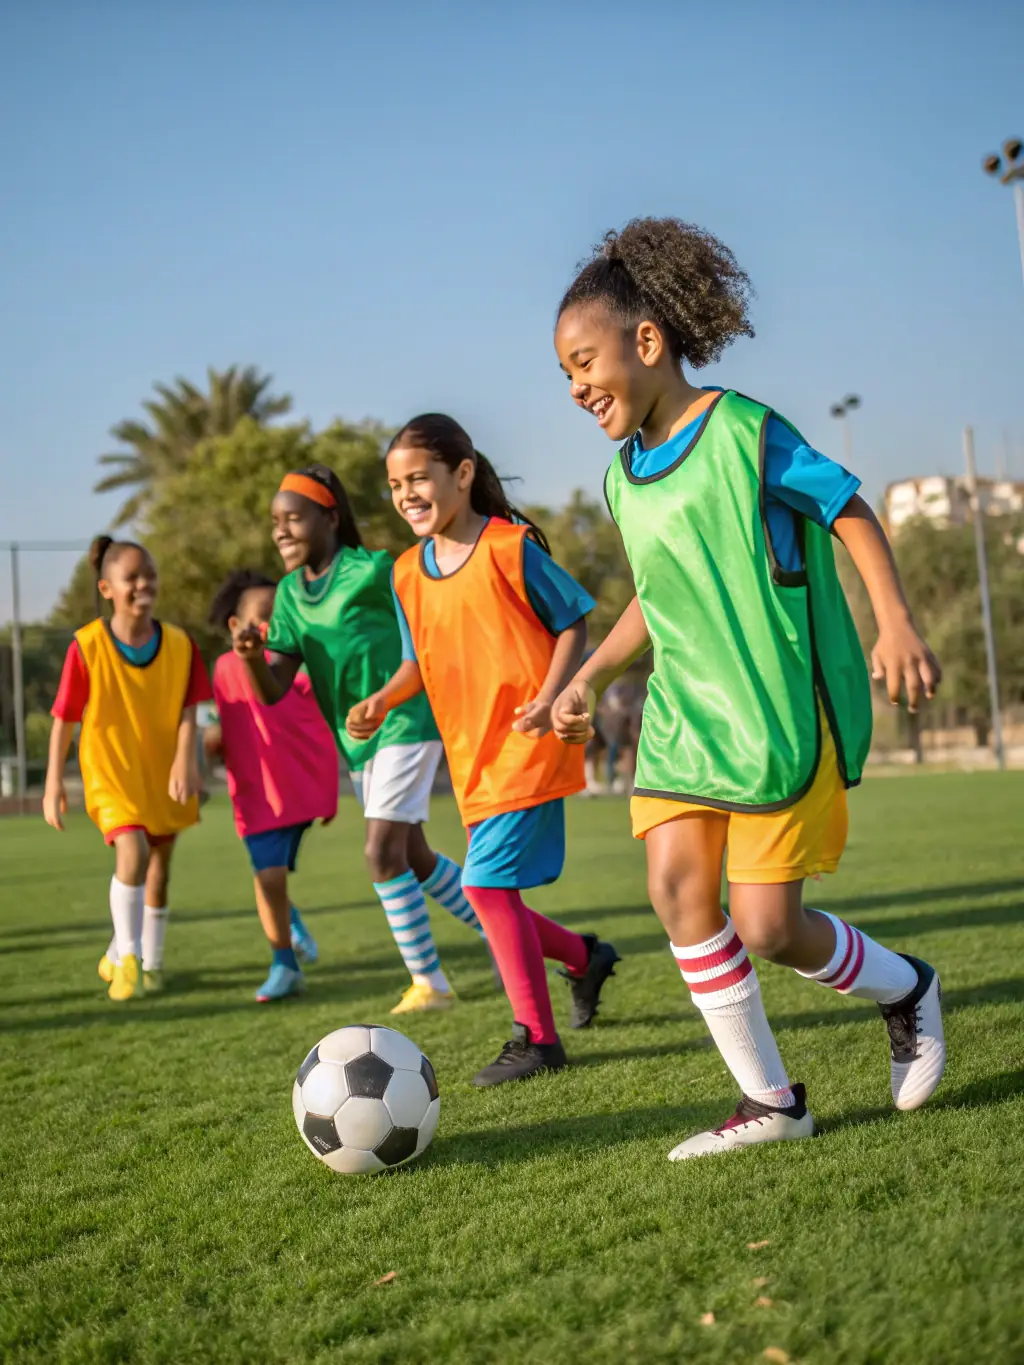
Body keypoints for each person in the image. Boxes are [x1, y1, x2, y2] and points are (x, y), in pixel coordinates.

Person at [551, 217, 945, 1157]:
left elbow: (847, 503)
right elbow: (658, 592)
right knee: (677, 889)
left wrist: (893, 619)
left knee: (770, 927)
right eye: (562, 374)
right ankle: (773, 1102)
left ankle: (908, 987)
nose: (574, 388)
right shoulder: (620, 477)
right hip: (684, 721)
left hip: (775, 716)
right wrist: (588, 673)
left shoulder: (745, 432)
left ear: (646, 342)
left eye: (582, 362)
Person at [347, 414, 620, 1086]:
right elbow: (420, 661)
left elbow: (572, 622)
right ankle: (584, 957)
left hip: (529, 742)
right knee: (497, 897)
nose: (406, 493)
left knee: (482, 884)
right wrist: (383, 698)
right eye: (394, 484)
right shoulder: (407, 572)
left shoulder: (510, 547)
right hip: (469, 759)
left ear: (461, 474)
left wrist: (554, 695)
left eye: (419, 478)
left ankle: (538, 1038)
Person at [236, 463, 492, 1014]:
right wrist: (253, 659)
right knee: (414, 856)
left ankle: (430, 985)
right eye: (275, 522)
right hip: (357, 742)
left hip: (406, 721)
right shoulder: (286, 596)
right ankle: (507, 935)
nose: (281, 530)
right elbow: (276, 688)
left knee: (380, 853)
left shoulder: (376, 570)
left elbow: (429, 621)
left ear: (329, 517)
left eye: (294, 519)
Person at [43, 535, 210, 1001]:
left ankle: (149, 962)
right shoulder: (88, 645)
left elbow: (189, 708)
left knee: (159, 868)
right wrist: (53, 781)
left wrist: (185, 758)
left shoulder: (179, 644)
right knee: (132, 852)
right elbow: (64, 720)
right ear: (107, 587)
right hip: (110, 771)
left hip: (162, 770)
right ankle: (129, 962)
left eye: (149, 575)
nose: (143, 585)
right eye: (131, 577)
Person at [206, 569, 338, 1002]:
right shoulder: (226, 669)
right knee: (269, 878)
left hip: (299, 789)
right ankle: (285, 962)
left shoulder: (296, 667)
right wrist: (209, 747)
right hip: (257, 794)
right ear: (234, 626)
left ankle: (288, 920)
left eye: (277, 617)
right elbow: (224, 724)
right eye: (263, 617)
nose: (270, 627)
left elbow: (312, 711)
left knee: (276, 879)